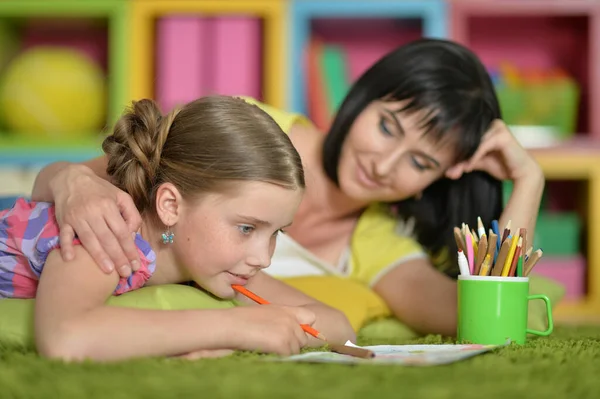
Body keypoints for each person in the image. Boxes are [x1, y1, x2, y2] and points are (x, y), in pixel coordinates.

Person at [30, 38, 545, 337]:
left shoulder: (379, 243)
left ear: (438, 177)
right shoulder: (248, 130)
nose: (383, 164)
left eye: (420, 160)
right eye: (387, 126)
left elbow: (483, 322)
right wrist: (73, 180)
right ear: (361, 97)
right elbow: (62, 183)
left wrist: (528, 181)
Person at [0, 95, 355, 362]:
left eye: (277, 232)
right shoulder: (108, 233)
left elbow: (338, 324)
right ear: (170, 206)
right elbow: (65, 339)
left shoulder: (214, 259)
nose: (264, 257)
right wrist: (236, 328)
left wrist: (266, 326)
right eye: (247, 228)